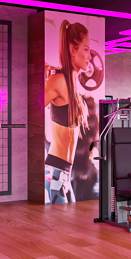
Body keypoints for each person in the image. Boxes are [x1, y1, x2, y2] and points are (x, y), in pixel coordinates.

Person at [43, 20, 91, 202]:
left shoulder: (73, 84)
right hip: (55, 171)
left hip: (65, 173)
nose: (89, 56)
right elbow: (31, 110)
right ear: (72, 49)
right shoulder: (58, 81)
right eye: (86, 49)